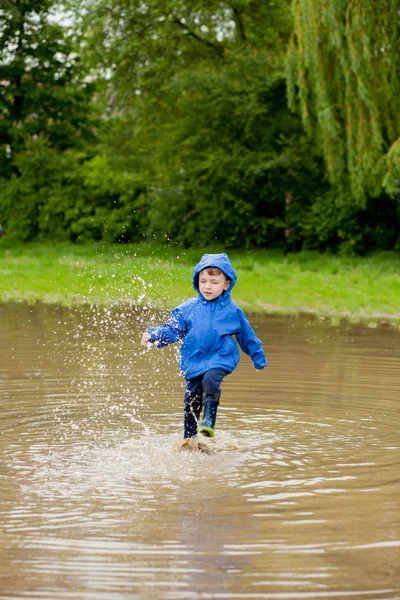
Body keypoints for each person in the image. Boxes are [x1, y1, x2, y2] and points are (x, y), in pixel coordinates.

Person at [141, 253, 267, 441]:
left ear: (226, 284)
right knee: (191, 400)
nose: (207, 286)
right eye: (203, 281)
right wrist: (154, 335)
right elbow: (173, 330)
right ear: (196, 281)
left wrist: (258, 358)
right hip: (194, 360)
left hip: (221, 357)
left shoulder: (232, 310)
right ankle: (189, 439)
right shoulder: (187, 309)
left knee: (210, 381)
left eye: (214, 282)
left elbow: (247, 335)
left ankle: (208, 421)